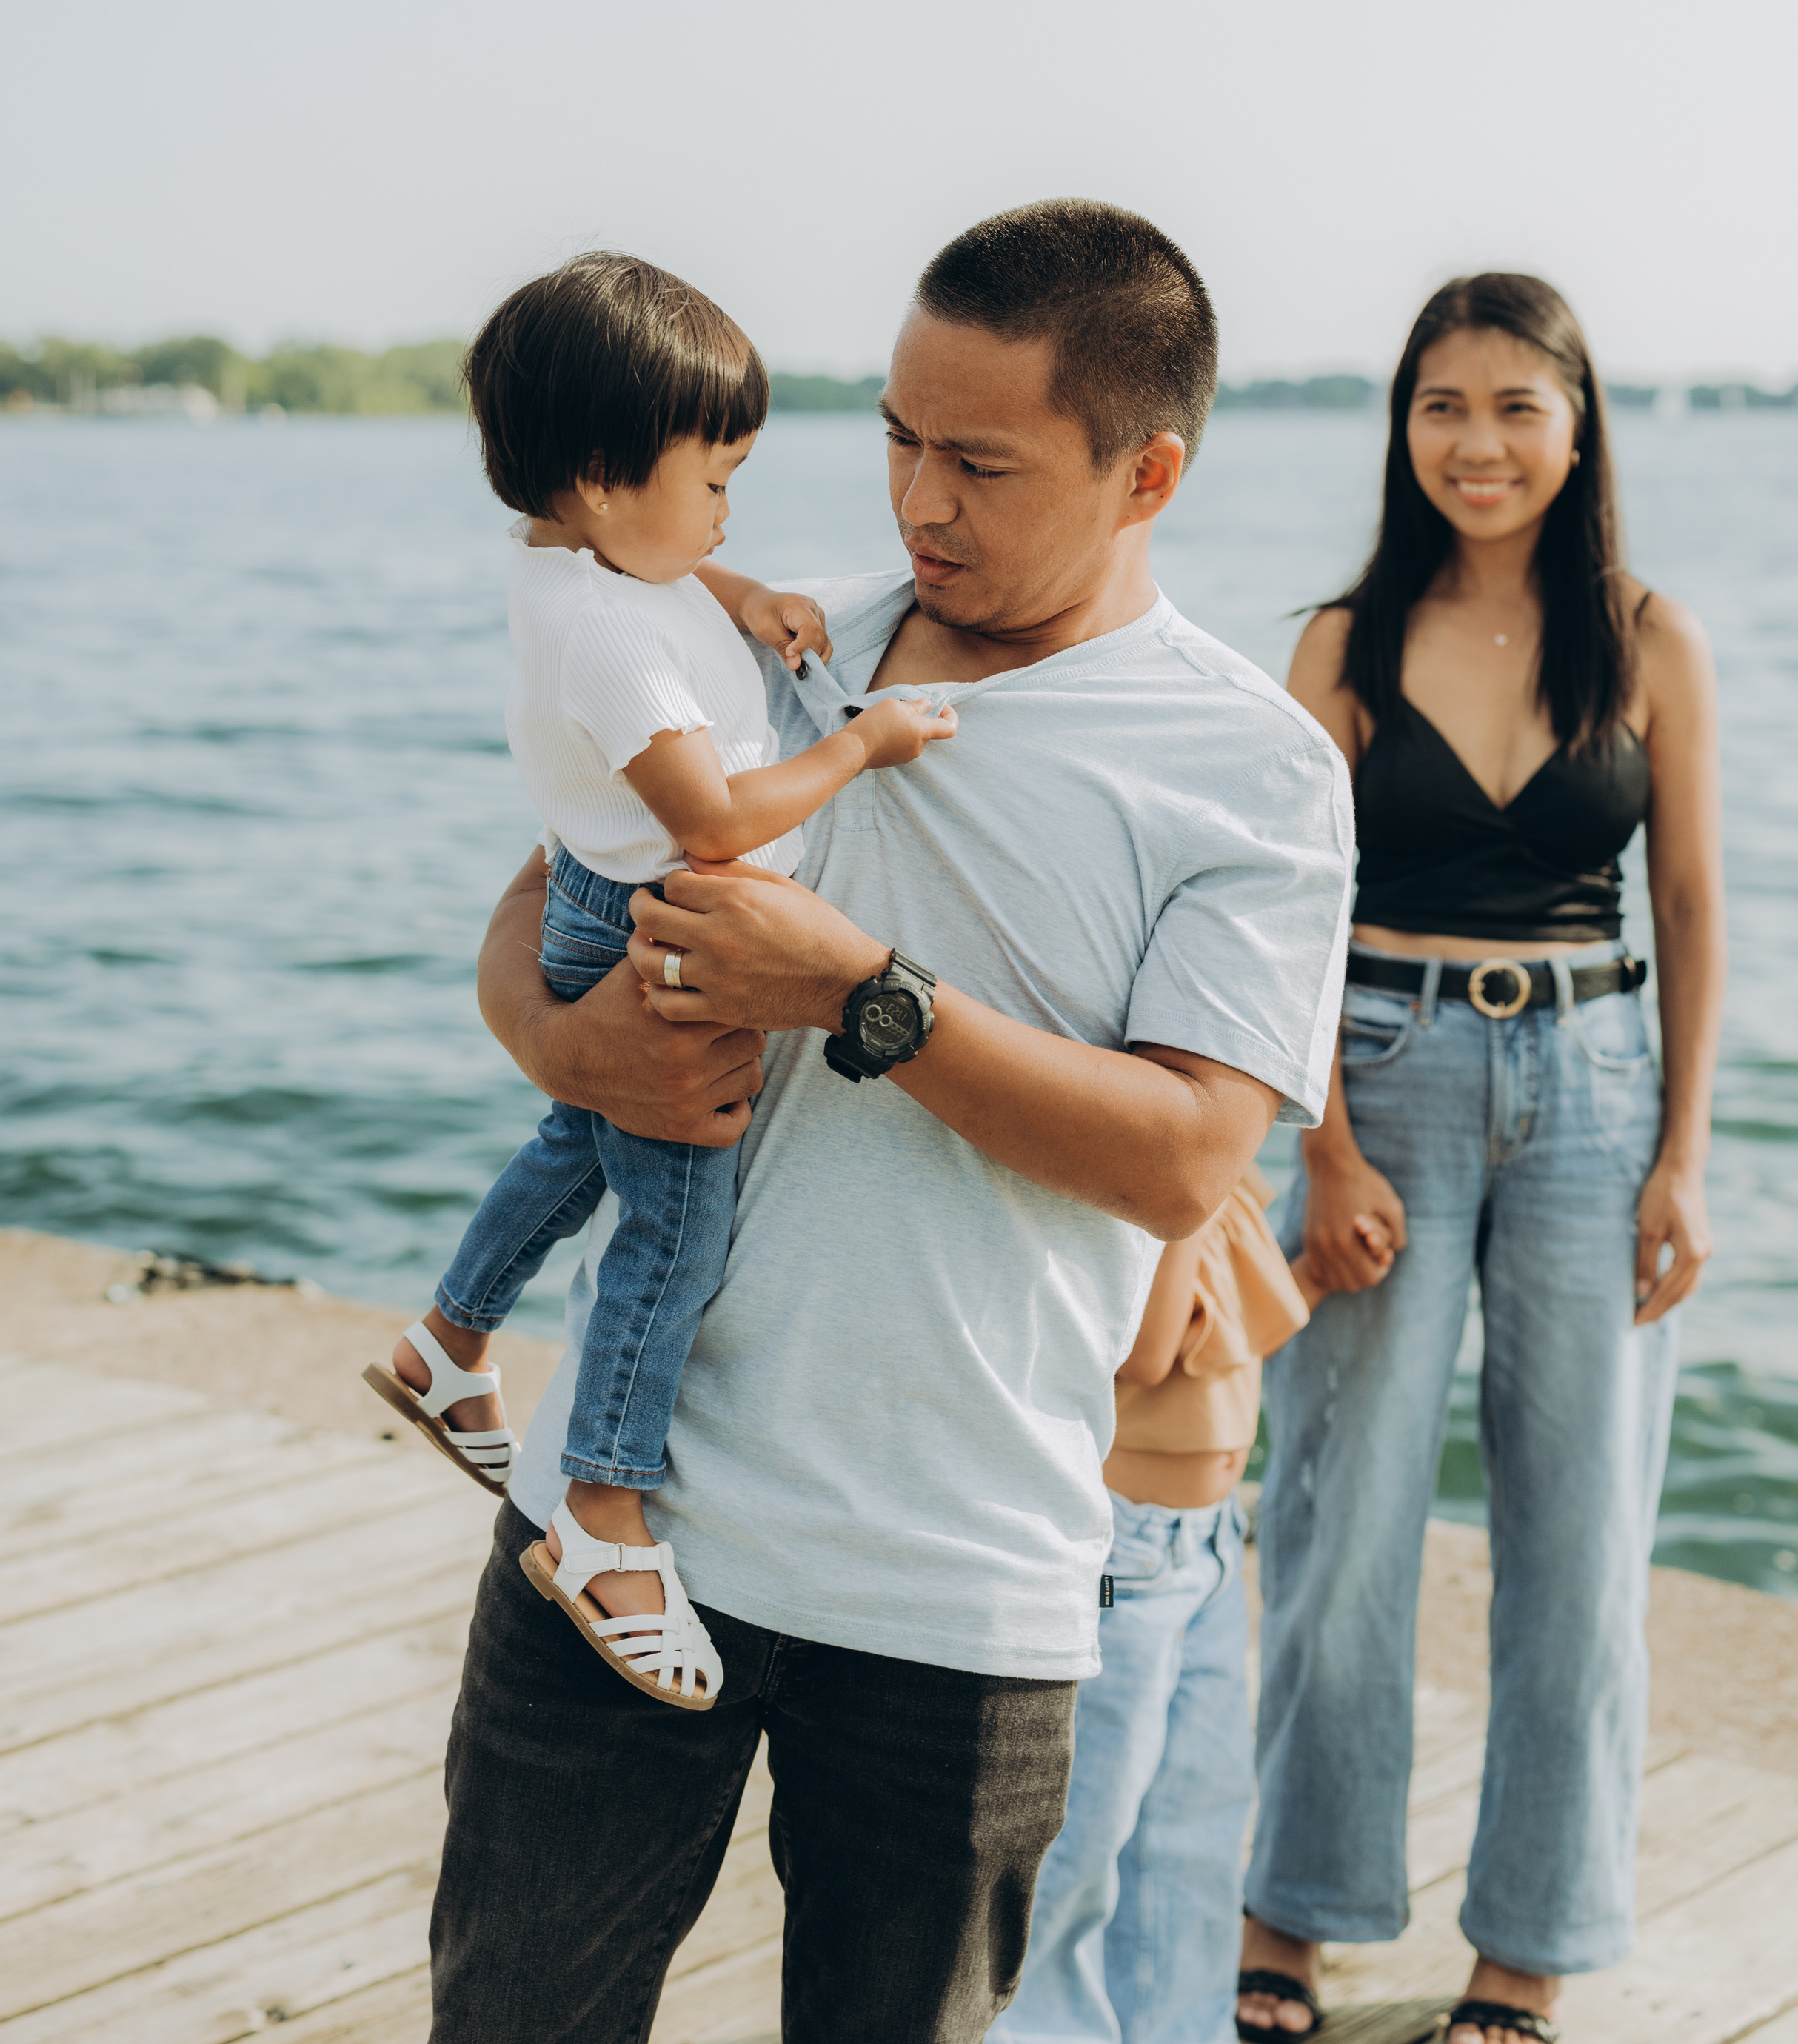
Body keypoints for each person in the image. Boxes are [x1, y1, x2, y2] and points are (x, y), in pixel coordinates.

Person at [425, 200, 1356, 2044]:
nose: (915, 499)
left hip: (958, 1577)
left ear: (1145, 467)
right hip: (617, 1530)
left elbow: (1185, 1153)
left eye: (979, 460)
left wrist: (859, 989)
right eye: (896, 438)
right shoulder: (758, 642)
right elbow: (542, 901)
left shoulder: (1251, 765)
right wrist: (563, 1041)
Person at [363, 253, 954, 1709]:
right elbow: (715, 820)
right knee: (670, 1227)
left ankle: (446, 1344)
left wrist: (742, 592)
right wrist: (860, 745)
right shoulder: (613, 644)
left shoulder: (572, 558)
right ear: (604, 478)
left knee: (577, 1137)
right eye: (714, 485)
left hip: (590, 895)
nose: (726, 514)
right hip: (659, 917)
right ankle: (605, 1515)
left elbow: (663, 570)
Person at [1241, 274, 1723, 2044]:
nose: (1475, 442)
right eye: (1439, 404)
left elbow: (1684, 902)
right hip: (1384, 1062)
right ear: (1399, 425)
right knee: (1337, 1512)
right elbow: (1279, 923)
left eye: (1514, 406)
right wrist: (1322, 1150)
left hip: (1596, 1087)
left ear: (1576, 422)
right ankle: (1288, 1908)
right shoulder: (1340, 642)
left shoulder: (1651, 638)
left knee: (1580, 1532)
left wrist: (1681, 1153)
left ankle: (1523, 1948)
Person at [1000, 1177, 1393, 2044]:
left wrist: (1321, 1271)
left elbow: (1227, 1333)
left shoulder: (1226, 1179)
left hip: (1204, 1549)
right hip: (1122, 1557)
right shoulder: (1167, 1178)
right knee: (1078, 1855)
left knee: (1193, 1838)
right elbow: (1145, 1354)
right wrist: (1194, 1181)